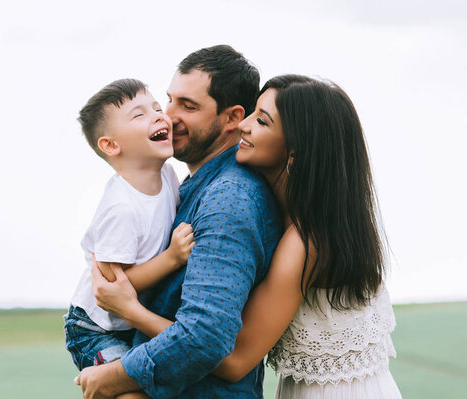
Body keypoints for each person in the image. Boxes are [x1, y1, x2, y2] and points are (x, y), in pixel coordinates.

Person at [92, 75, 402, 398]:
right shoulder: (288, 217)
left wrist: (131, 311)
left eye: (262, 121)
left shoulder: (305, 242)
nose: (244, 125)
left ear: (294, 152)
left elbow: (234, 359)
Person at [76, 45, 282, 398]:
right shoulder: (182, 185)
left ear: (233, 118)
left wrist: (118, 375)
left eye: (188, 106)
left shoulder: (227, 200)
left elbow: (205, 336)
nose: (168, 117)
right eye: (168, 101)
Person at [64, 78, 195, 375]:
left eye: (157, 107)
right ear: (111, 145)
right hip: (96, 327)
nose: (159, 115)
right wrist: (172, 258)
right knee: (126, 382)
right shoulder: (121, 208)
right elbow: (112, 288)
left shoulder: (169, 176)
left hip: (131, 318)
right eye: (140, 115)